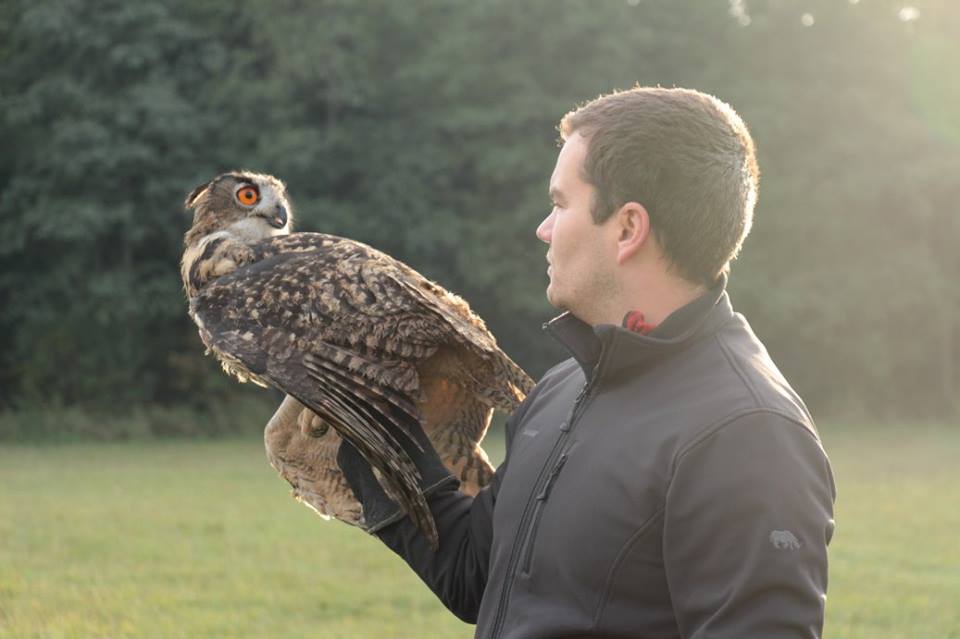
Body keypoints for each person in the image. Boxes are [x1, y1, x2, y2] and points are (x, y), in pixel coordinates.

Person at [337, 87, 837, 638]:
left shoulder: (746, 431)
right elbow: (475, 573)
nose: (543, 229)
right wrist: (369, 432)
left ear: (627, 229)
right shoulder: (562, 389)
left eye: (559, 204)